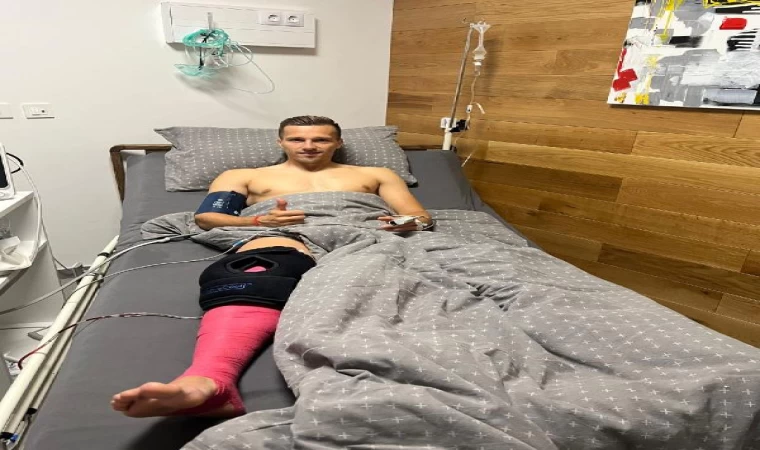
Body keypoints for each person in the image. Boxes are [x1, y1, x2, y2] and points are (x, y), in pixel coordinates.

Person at [110, 116, 434, 418]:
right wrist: (258, 221)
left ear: (338, 143)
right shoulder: (244, 176)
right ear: (281, 142)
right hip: (281, 233)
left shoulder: (377, 174)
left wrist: (400, 223)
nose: (309, 146)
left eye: (321, 139)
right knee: (257, 270)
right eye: (297, 139)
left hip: (363, 233)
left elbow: (419, 218)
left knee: (393, 281)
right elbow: (207, 218)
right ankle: (209, 380)